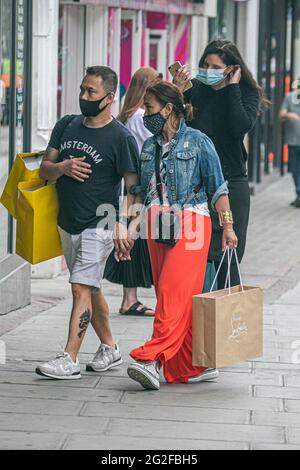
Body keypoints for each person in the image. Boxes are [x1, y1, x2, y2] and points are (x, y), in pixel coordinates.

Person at [123, 81, 238, 391]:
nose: (145, 114)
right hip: (156, 225)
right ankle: (193, 365)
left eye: (149, 107)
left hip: (191, 222)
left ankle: (150, 358)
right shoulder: (148, 146)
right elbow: (140, 192)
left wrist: (227, 226)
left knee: (172, 294)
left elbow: (219, 189)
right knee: (169, 295)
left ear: (168, 108)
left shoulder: (199, 142)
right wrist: (129, 230)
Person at [36, 66, 139, 379]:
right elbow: (44, 170)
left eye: (90, 92)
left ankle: (70, 358)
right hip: (68, 222)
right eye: (82, 89)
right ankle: (110, 347)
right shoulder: (66, 125)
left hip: (100, 223)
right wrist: (63, 167)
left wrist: (125, 224)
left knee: (80, 286)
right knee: (91, 289)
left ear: (109, 98)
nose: (83, 96)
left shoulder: (121, 138)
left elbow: (134, 187)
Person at [174, 39, 268, 289]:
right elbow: (175, 130)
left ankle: (229, 320)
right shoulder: (195, 89)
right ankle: (198, 314)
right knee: (199, 252)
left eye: (215, 66)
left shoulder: (246, 94)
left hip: (232, 181)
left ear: (231, 69)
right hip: (197, 184)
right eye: (205, 64)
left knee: (229, 253)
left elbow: (239, 127)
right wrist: (179, 93)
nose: (207, 69)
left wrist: (232, 88)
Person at [104, 67, 159, 316]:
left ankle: (130, 298)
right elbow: (157, 141)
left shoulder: (126, 116)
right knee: (136, 241)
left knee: (132, 240)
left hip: (131, 185)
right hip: (140, 186)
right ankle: (130, 299)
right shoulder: (139, 116)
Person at [280, 77, 300, 208]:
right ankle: (298, 194)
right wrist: (289, 115)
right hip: (293, 141)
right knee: (294, 170)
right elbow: (281, 115)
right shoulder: (289, 98)